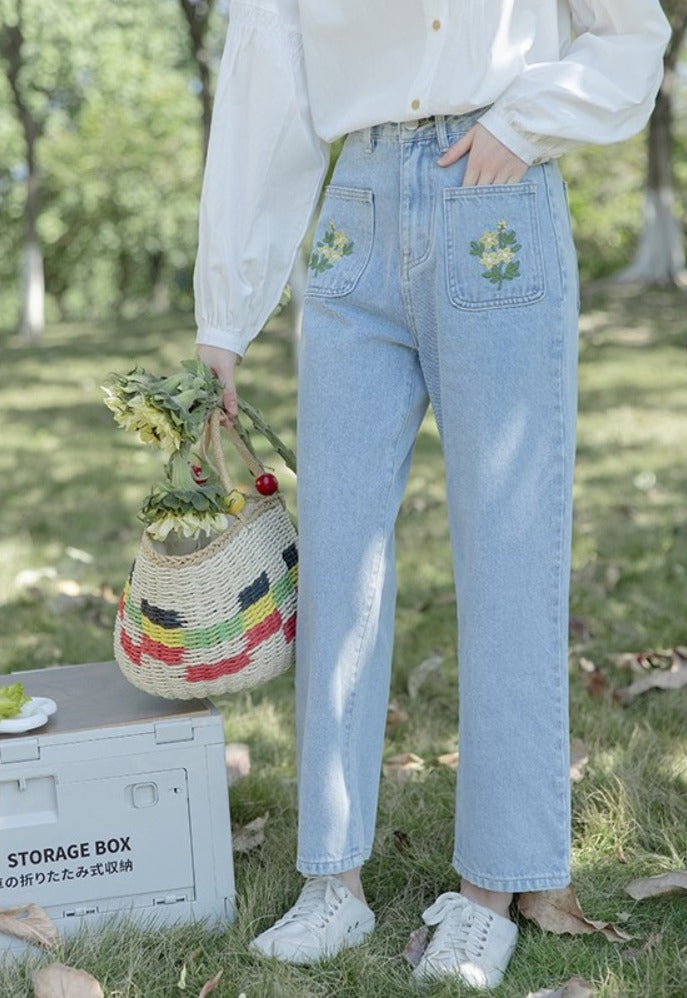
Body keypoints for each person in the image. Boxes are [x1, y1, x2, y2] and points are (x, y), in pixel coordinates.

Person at [194, 1, 670, 988]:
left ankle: (490, 888)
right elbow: (263, 84)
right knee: (339, 553)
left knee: (509, 548)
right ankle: (332, 877)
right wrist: (226, 316)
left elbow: (630, 37)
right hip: (354, 209)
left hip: (494, 187)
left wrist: (522, 123)